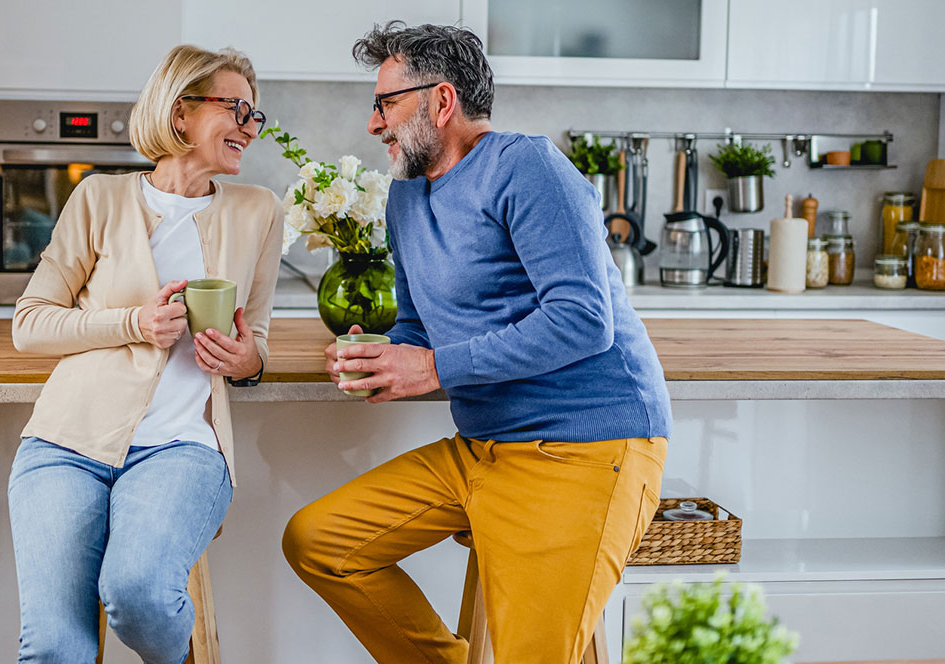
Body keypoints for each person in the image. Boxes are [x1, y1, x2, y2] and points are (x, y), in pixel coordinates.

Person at [282, 22, 672, 663]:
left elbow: (581, 320)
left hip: (584, 449)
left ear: (441, 100)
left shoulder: (528, 166)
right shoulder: (406, 196)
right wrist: (379, 355)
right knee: (320, 543)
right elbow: (417, 326)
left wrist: (432, 367)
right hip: (482, 450)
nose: (374, 123)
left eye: (386, 103)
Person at [7, 44, 282, 664]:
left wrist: (244, 360)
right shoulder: (100, 200)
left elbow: (258, 341)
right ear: (180, 112)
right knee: (54, 648)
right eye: (236, 107)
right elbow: (30, 324)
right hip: (65, 445)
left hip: (183, 447)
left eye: (254, 113)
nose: (249, 124)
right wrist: (136, 322)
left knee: (137, 593)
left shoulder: (258, 211)